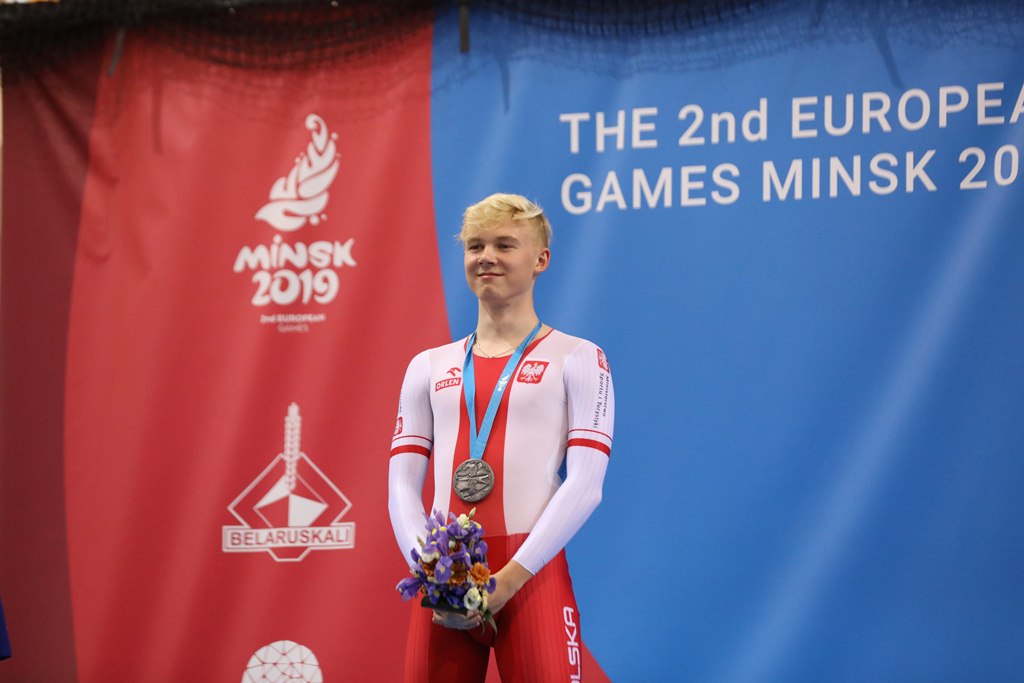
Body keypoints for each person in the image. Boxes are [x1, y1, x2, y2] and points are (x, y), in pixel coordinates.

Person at [388, 193, 615, 682]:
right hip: (444, 580)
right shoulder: (427, 367)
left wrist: (509, 580)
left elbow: (586, 485)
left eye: (505, 245)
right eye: (475, 246)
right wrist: (433, 573)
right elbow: (402, 486)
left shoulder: (579, 358)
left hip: (531, 575)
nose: (486, 256)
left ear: (541, 260)